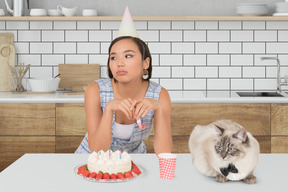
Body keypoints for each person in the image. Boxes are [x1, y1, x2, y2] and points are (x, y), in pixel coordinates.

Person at [75, 36, 172, 154]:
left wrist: (158, 109)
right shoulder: (95, 90)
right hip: (93, 162)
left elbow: (164, 153)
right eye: (113, 57)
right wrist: (109, 109)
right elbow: (97, 150)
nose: (119, 63)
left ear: (145, 63)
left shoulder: (159, 95)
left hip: (134, 163)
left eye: (128, 56)